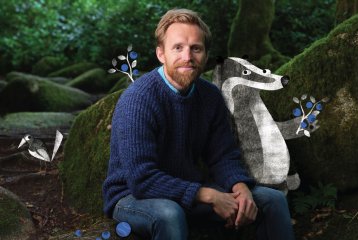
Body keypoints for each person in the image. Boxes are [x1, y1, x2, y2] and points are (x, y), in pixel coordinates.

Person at [103, 8, 295, 240]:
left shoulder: (209, 96)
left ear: (205, 55)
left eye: (196, 48)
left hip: (190, 190)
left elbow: (223, 155)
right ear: (160, 54)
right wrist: (210, 196)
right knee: (169, 214)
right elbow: (142, 180)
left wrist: (240, 187)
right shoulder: (139, 99)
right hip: (132, 196)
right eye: (178, 48)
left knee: (271, 200)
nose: (188, 56)